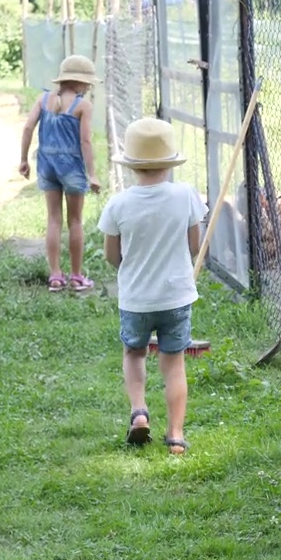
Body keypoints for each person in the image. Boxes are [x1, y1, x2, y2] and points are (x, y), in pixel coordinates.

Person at [98, 117, 207, 455]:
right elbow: (194, 246)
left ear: (132, 164)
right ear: (169, 162)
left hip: (136, 299)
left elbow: (111, 255)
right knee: (174, 363)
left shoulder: (118, 204)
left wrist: (131, 270)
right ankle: (175, 435)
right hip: (176, 295)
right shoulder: (185, 196)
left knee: (134, 352)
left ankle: (139, 412)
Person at [18, 55, 102, 292]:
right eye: (86, 83)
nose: (87, 88)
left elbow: (27, 128)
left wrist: (24, 160)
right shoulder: (83, 106)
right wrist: (92, 173)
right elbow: (85, 141)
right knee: (75, 221)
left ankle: (55, 275)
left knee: (53, 219)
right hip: (72, 167)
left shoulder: (43, 100)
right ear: (78, 83)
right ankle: (76, 276)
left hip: (46, 164)